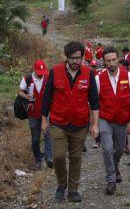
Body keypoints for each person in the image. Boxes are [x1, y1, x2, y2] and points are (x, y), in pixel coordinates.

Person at [41, 41, 99, 203]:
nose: (75, 61)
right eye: (72, 58)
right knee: (58, 156)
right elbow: (46, 98)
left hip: (80, 124)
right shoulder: (56, 71)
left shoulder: (88, 74)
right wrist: (44, 120)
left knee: (75, 157)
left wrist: (95, 124)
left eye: (78, 58)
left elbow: (94, 101)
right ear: (66, 58)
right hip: (58, 122)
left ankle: (73, 190)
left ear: (82, 57)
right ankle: (61, 184)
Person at [96, 46, 130, 195]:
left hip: (122, 119)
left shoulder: (128, 76)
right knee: (107, 148)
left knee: (120, 149)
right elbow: (94, 104)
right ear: (104, 62)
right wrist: (94, 124)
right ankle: (111, 179)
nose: (111, 63)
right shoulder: (98, 78)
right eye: (108, 61)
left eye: (114, 60)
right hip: (105, 119)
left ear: (118, 59)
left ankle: (115, 166)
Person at [17, 60, 52, 169]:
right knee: (35, 138)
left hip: (46, 112)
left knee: (48, 134)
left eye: (42, 72)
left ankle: (49, 158)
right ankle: (38, 159)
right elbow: (19, 91)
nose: (41, 74)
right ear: (34, 70)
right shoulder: (27, 78)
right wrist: (26, 96)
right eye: (39, 72)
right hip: (33, 113)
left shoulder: (48, 77)